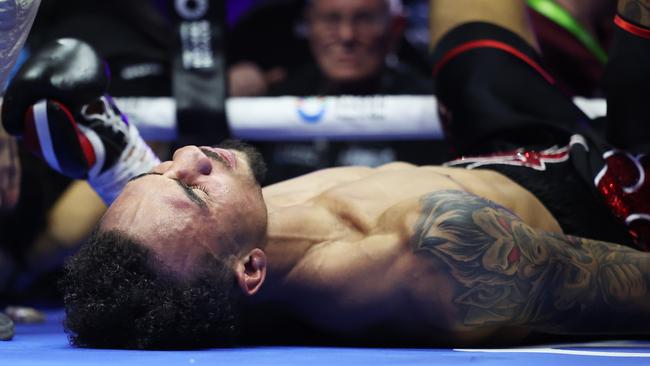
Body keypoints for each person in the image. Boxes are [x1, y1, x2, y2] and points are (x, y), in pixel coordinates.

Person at [3, 0, 650, 350]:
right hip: (616, 202)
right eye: (187, 185)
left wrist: (137, 177)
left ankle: (122, 166)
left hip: (499, 153)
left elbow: (173, 258)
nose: (194, 154)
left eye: (167, 166)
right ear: (249, 269)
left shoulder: (219, 277)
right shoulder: (434, 250)